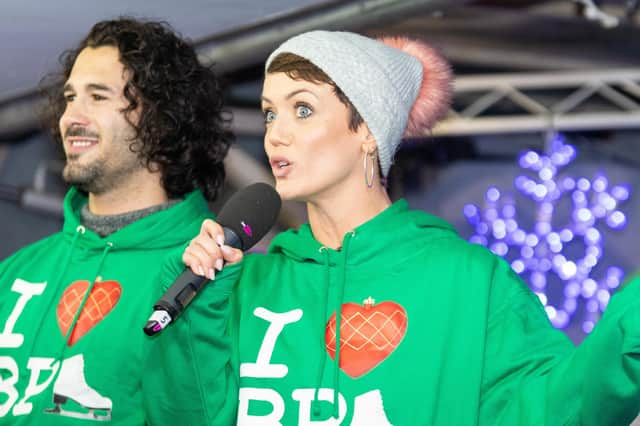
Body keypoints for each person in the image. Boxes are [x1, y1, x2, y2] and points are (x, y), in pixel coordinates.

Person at [147, 30, 640, 425]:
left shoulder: (468, 280)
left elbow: (558, 410)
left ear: (366, 130)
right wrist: (196, 311)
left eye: (302, 109)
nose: (276, 133)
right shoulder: (242, 284)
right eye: (270, 113)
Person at [0, 17, 231, 425]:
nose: (71, 116)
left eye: (98, 96)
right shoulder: (16, 272)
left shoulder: (212, 277)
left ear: (161, 119)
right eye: (70, 97)